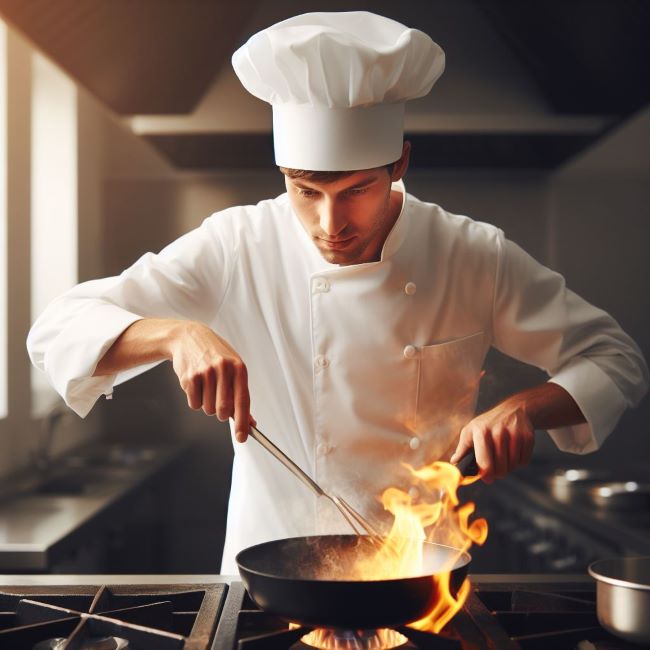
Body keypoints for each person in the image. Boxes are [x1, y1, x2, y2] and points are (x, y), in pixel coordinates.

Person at [27, 12, 648, 574]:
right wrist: (173, 333)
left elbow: (617, 360)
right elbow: (58, 328)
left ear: (399, 164)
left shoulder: (471, 253)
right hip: (268, 574)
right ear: (283, 176)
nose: (331, 224)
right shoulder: (238, 243)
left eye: (355, 190)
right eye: (306, 191)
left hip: (420, 577)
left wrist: (527, 407)